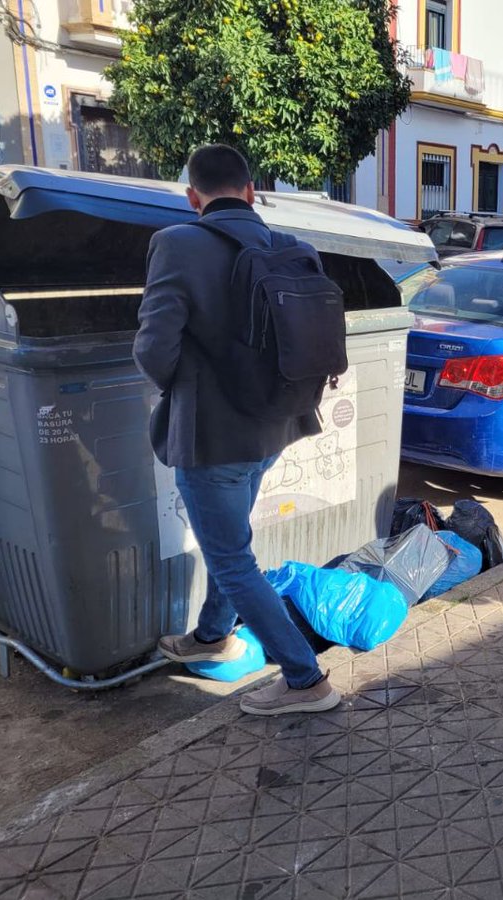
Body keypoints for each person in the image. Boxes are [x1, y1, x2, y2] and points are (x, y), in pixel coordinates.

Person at [134, 144, 341, 716]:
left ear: (192, 197)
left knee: (231, 559)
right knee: (232, 544)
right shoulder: (294, 246)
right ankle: (211, 636)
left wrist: (180, 389)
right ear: (251, 193)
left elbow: (153, 348)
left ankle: (305, 681)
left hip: (213, 437)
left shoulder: (176, 243)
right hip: (275, 426)